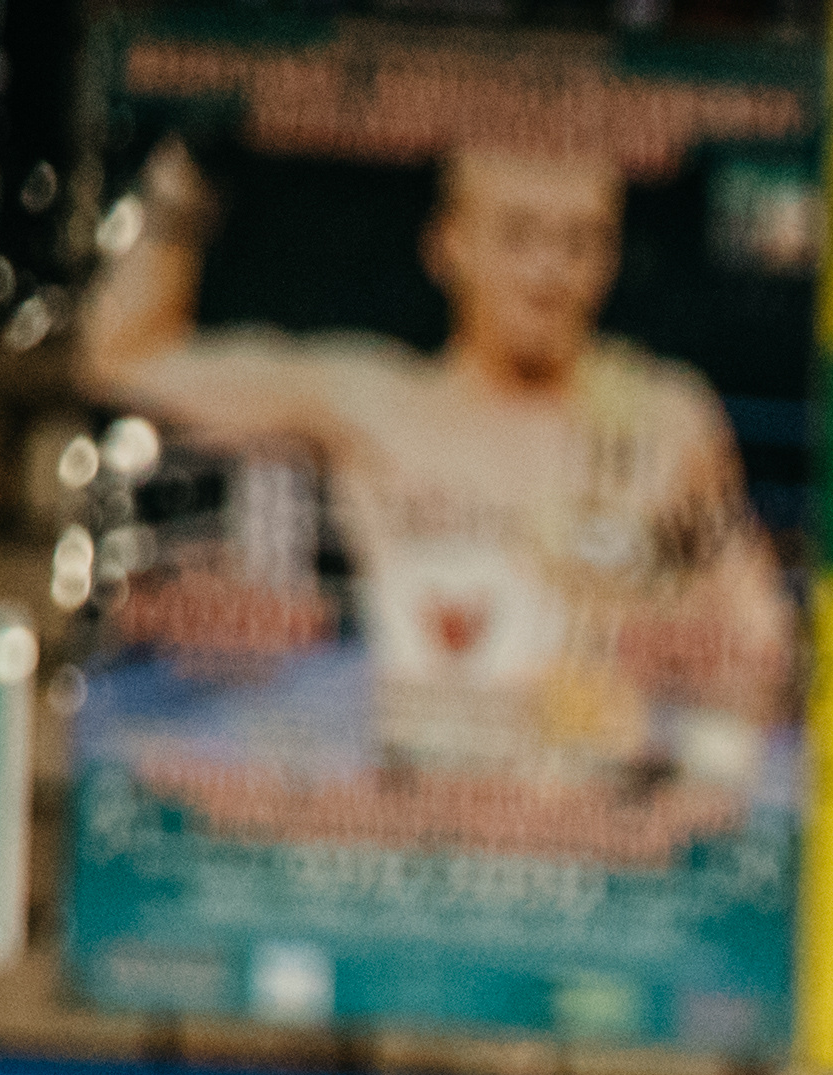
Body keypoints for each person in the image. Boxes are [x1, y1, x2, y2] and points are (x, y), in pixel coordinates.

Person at [87, 141, 792, 771]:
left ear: (610, 256)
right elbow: (124, 361)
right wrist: (188, 169)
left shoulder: (662, 418)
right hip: (402, 809)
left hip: (594, 830)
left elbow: (758, 648)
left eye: (580, 242)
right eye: (519, 236)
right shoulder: (375, 403)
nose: (549, 271)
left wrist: (674, 750)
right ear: (449, 242)